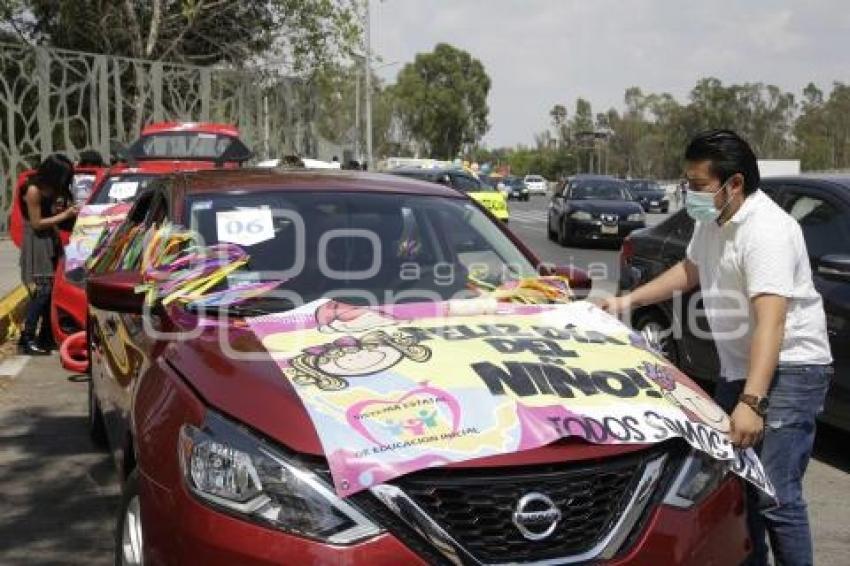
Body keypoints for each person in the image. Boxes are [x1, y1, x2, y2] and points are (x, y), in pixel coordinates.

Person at [599, 130, 832, 566]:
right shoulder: (713, 222)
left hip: (790, 370)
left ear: (735, 183)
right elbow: (689, 270)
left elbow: (772, 321)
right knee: (736, 486)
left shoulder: (768, 232)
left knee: (776, 495)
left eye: (699, 185)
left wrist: (751, 401)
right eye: (687, 183)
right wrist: (625, 301)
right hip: (741, 367)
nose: (691, 194)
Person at [18, 154, 79, 355]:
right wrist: (64, 215)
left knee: (51, 290)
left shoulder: (51, 190)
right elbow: (36, 223)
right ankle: (27, 338)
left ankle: (45, 335)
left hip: (49, 240)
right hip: (37, 243)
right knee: (43, 291)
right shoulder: (33, 190)